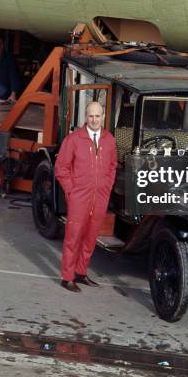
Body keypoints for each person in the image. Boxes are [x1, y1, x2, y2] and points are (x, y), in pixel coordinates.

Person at [54, 101, 118, 292]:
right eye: (91, 116)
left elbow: (113, 166)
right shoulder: (73, 139)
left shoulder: (109, 139)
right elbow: (61, 168)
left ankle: (81, 273)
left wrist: (106, 186)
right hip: (79, 197)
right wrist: (71, 191)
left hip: (100, 196)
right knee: (73, 237)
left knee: (91, 236)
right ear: (85, 117)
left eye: (98, 116)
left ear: (103, 117)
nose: (94, 119)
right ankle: (67, 277)